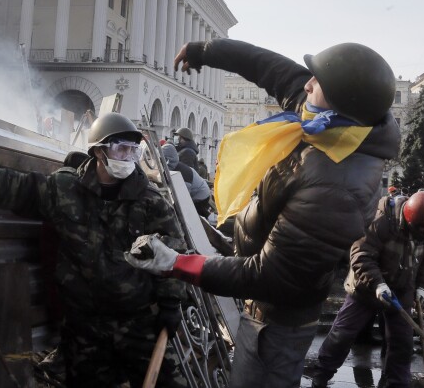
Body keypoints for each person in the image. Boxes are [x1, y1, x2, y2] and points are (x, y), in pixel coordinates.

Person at [125, 39, 400, 387]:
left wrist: (178, 263)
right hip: (264, 308)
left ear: (342, 101)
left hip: (277, 326)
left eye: (317, 81)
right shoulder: (331, 122)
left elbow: (270, 276)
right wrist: (207, 52)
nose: (307, 84)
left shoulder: (338, 190)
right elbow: (271, 68)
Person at [0, 112, 189, 387]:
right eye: (121, 149)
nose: (129, 157)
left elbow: (174, 252)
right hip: (85, 328)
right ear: (99, 151)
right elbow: (18, 189)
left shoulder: (149, 201)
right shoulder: (65, 190)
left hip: (137, 323)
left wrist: (171, 302)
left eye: (134, 150)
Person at [310, 191, 424, 388]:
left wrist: (421, 286)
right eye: (421, 230)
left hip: (401, 288)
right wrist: (378, 284)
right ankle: (321, 375)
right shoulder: (381, 220)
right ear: (409, 219)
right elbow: (360, 255)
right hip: (366, 287)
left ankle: (395, 383)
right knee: (343, 334)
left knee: (401, 343)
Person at [162, 143, 212, 218]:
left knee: (192, 216)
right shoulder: (175, 167)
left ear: (166, 159)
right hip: (199, 192)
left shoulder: (183, 171)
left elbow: (184, 197)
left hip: (201, 196)